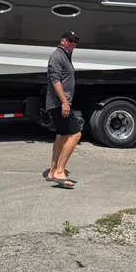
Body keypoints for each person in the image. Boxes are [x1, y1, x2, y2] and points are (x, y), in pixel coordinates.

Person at [44, 30, 82, 188]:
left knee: (61, 136)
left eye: (76, 41)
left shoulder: (65, 55)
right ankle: (60, 171)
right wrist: (65, 102)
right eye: (70, 40)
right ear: (62, 41)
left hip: (60, 103)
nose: (74, 43)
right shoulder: (58, 56)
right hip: (60, 104)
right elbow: (55, 80)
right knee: (75, 134)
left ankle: (53, 171)